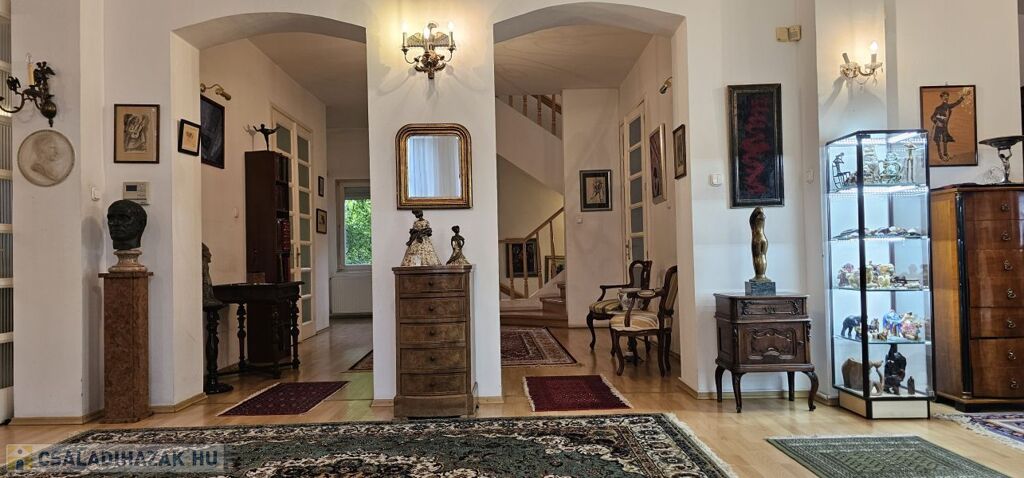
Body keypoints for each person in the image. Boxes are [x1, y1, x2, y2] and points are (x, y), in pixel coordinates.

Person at [930, 89, 971, 162]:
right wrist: (937, 122)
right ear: (941, 98)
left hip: (944, 127)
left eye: (947, 96)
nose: (946, 98)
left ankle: (945, 154)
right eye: (944, 96)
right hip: (938, 127)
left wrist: (963, 96)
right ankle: (941, 156)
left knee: (945, 140)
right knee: (938, 141)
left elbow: (956, 103)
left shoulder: (948, 106)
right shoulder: (938, 108)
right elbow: (932, 117)